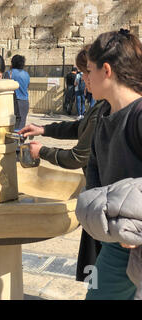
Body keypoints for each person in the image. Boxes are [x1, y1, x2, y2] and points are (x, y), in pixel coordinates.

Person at [18, 45, 104, 283]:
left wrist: (41, 151)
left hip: (104, 203)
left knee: (98, 270)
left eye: (86, 72)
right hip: (98, 198)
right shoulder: (98, 105)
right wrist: (44, 128)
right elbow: (79, 128)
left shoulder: (105, 110)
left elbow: (78, 157)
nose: (83, 78)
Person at [83, 29, 142, 299]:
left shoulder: (138, 115)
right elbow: (94, 165)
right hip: (118, 239)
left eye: (89, 70)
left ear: (106, 70)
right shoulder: (105, 115)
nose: (86, 79)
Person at [4, 55, 30, 130]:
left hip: (14, 102)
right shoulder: (26, 74)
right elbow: (27, 86)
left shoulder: (9, 73)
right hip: (25, 102)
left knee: (12, 126)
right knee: (21, 125)